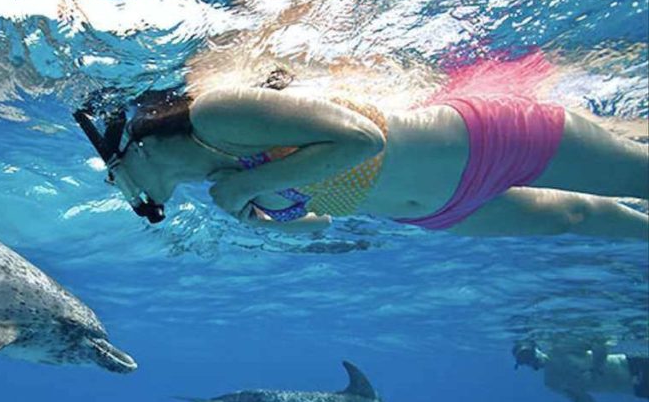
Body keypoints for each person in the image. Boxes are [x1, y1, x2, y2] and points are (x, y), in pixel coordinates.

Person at [74, 68, 648, 239]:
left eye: (110, 176)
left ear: (130, 146)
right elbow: (319, 220)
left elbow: (361, 140)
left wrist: (250, 189)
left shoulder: (215, 114)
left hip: (489, 140)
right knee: (582, 218)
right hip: (440, 212)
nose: (119, 192)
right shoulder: (216, 179)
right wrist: (272, 223)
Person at [513, 339, 649, 402]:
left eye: (529, 355)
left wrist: (596, 367)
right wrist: (576, 397)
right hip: (634, 388)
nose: (530, 361)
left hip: (634, 365)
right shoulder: (551, 383)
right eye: (524, 360)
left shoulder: (561, 349)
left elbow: (601, 343)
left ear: (536, 348)